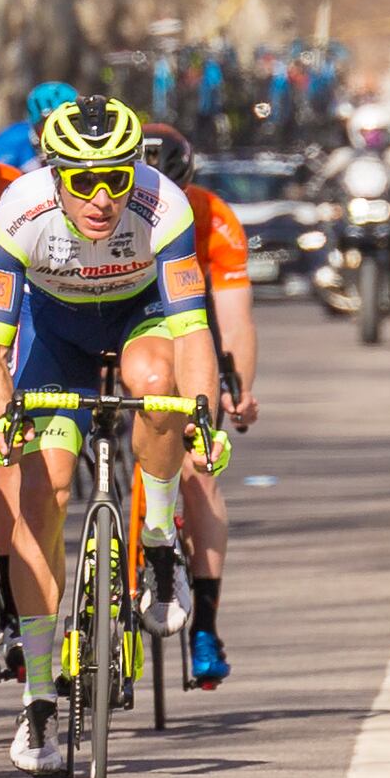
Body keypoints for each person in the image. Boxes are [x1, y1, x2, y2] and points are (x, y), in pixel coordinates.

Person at [0, 96, 219, 777]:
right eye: (85, 181)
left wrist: (205, 417)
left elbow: (193, 328)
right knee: (40, 494)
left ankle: (160, 540)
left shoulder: (164, 205)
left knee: (157, 378)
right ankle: (40, 693)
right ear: (56, 178)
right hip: (58, 343)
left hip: (139, 324)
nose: (104, 197)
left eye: (118, 177)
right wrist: (1, 420)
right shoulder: (19, 213)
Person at [142, 120, 258, 686]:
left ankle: (206, 625)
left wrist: (239, 387)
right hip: (128, 328)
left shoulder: (215, 219)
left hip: (190, 331)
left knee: (198, 470)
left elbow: (233, 321)